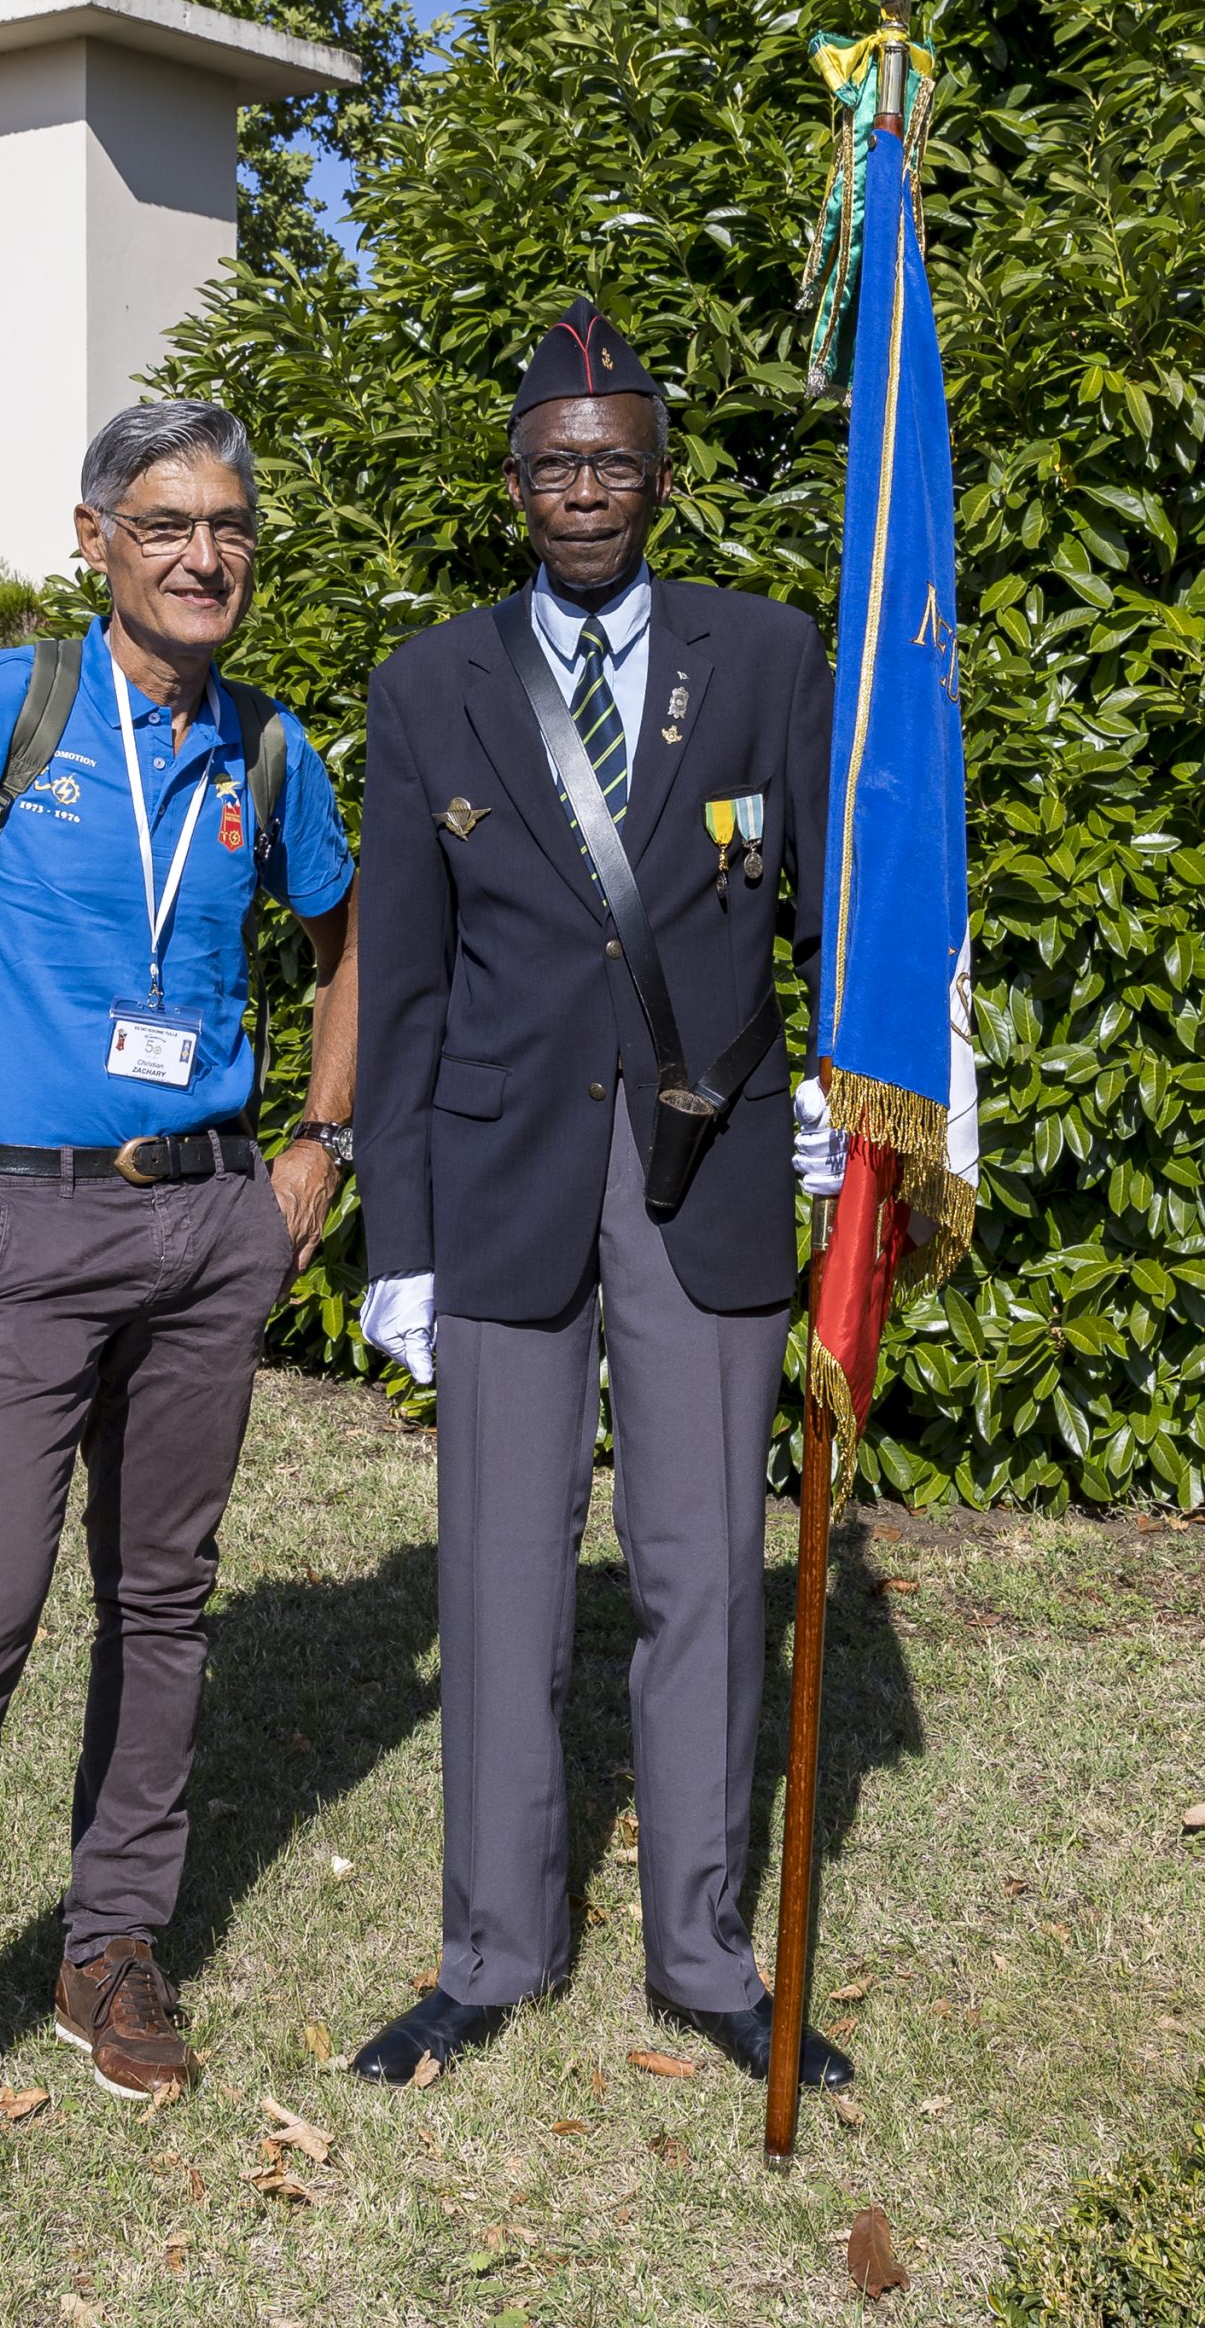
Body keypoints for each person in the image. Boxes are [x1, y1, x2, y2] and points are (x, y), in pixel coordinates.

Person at [0, 400, 358, 2240]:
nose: (204, 555)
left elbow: (353, 949)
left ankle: (114, 1947)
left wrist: (317, 1150)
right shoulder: (2, 712)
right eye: (168, 523)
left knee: (160, 1601)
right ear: (94, 535)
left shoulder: (272, 749)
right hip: (20, 1225)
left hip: (206, 1227)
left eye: (231, 526)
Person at [347, 299, 852, 2091]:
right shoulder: (429, 689)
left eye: (615, 464)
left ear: (658, 477)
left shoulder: (773, 658)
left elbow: (838, 922)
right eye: (557, 467)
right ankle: (492, 1948)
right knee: (495, 1577)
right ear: (514, 484)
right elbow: (399, 986)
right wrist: (392, 1239)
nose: (586, 492)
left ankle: (705, 1955)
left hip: (704, 1170)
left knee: (706, 1569)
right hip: (499, 1179)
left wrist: (846, 1117)